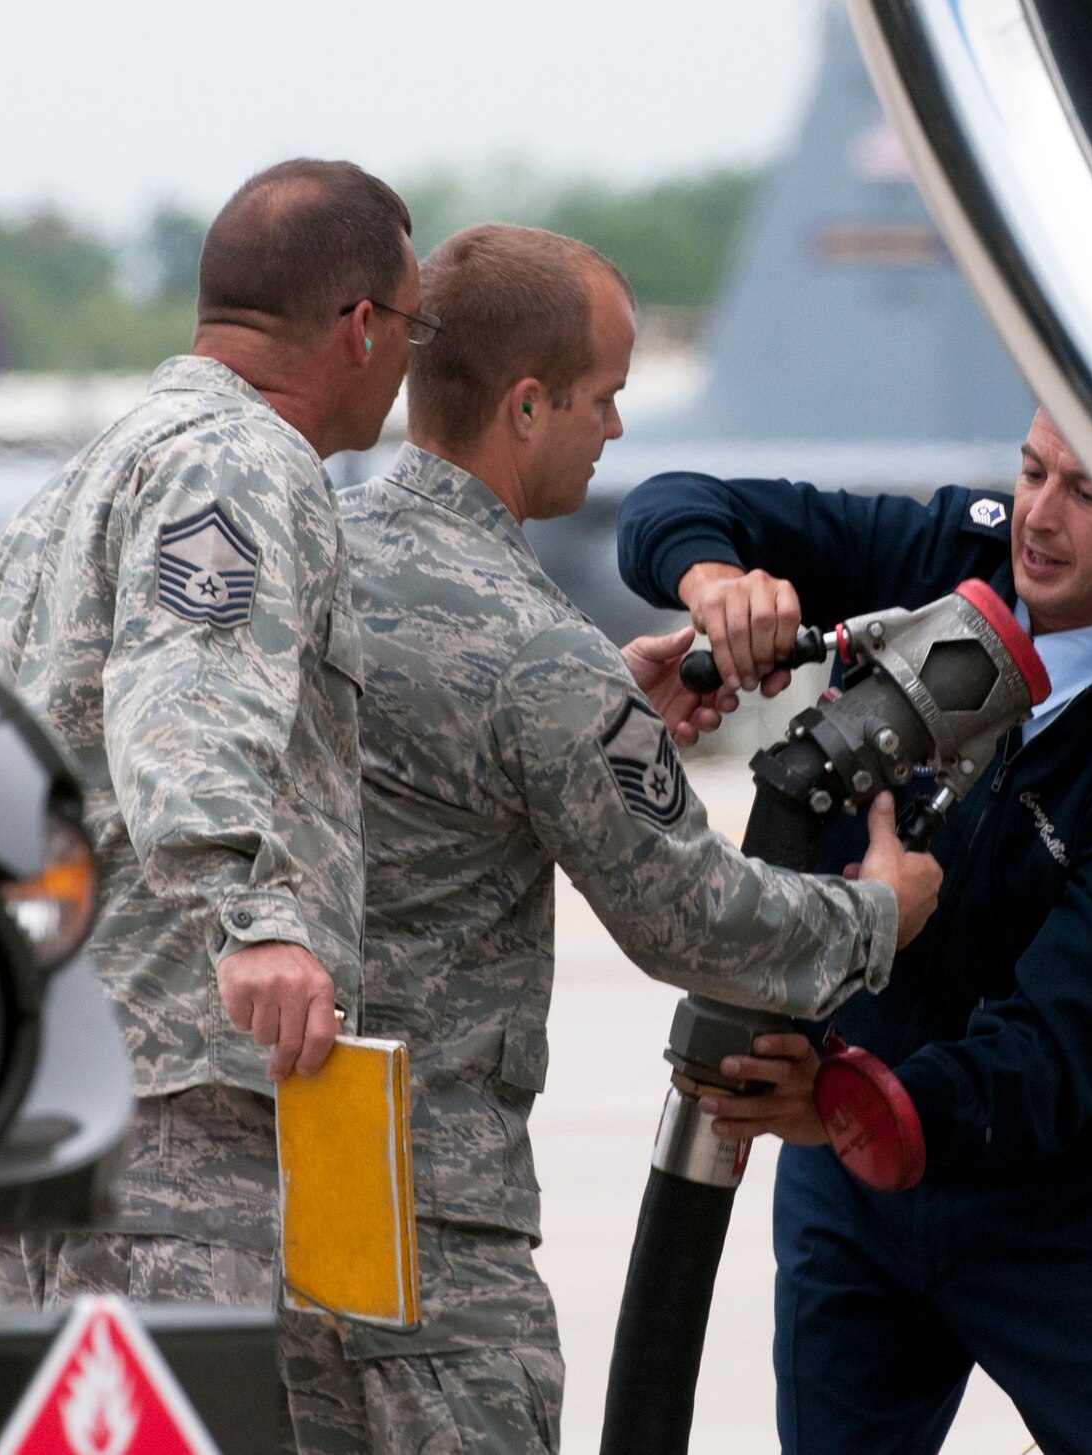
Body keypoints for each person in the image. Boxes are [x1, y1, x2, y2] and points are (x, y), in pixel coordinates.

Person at [297, 223, 944, 1454]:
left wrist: (604, 716)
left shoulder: (320, 559)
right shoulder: (535, 656)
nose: (617, 431)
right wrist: (878, 912)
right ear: (527, 407)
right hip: (429, 1217)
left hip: (287, 1180)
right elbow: (700, 920)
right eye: (605, 398)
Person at [616, 411, 1092, 1455]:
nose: (1036, 518)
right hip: (847, 1187)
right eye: (1032, 472)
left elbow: (1056, 1046)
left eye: (1085, 494)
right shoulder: (941, 556)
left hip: (1055, 1204)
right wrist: (714, 587)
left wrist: (848, 1109)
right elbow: (668, 505)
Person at [0, 158, 423, 1447]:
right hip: (172, 1102)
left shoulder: (78, 487)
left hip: (42, 1092)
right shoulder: (236, 465)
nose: (403, 366)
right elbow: (189, 707)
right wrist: (255, 917)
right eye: (411, 328)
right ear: (360, 326)